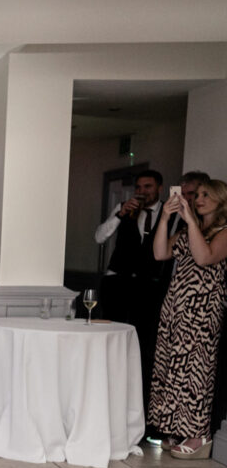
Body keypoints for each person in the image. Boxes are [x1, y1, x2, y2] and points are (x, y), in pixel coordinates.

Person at [149, 180, 227, 459]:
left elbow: (204, 257)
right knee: (172, 366)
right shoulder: (187, 228)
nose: (199, 199)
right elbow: (160, 253)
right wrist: (166, 217)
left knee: (196, 370)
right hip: (176, 306)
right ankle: (177, 427)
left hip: (203, 310)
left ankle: (199, 435)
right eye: (198, 195)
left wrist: (191, 221)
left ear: (220, 199)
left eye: (206, 195)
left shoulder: (223, 232)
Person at [95, 169, 165, 406]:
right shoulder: (123, 207)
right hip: (117, 283)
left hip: (148, 288)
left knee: (144, 345)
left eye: (148, 187)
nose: (142, 192)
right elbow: (99, 237)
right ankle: (108, 394)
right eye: (139, 187)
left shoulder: (169, 213)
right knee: (112, 340)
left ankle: (138, 401)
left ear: (159, 188)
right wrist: (119, 215)